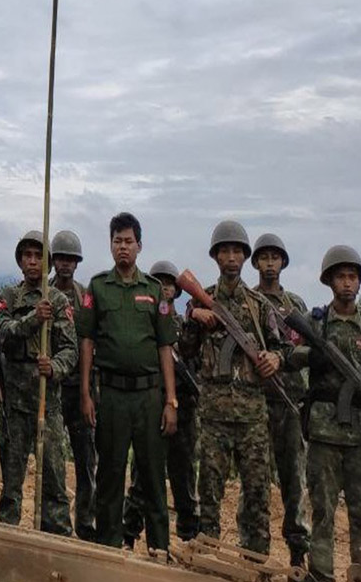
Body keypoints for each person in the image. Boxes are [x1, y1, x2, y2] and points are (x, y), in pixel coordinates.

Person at [179, 220, 287, 556]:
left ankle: (256, 561)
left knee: (257, 494)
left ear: (244, 257)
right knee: (209, 493)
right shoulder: (202, 301)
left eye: (236, 251)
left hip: (253, 415)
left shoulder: (258, 305)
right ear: (215, 257)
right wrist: (195, 319)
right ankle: (209, 559)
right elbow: (186, 351)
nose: (230, 257)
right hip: (214, 415)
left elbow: (280, 347)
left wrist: (274, 359)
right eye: (224, 251)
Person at [75, 213, 177, 554]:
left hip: (149, 397)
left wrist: (170, 401)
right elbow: (87, 341)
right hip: (113, 396)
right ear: (110, 244)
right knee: (110, 475)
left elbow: (165, 347)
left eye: (129, 241)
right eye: (117, 241)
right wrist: (86, 393)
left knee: (151, 478)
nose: (123, 247)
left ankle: (159, 551)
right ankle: (108, 549)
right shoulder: (98, 287)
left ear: (139, 246)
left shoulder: (153, 290)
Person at [0, 230, 76, 535]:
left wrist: (53, 367)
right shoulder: (8, 296)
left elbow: (71, 349)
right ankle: (9, 540)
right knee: (12, 482)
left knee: (54, 480)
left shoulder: (57, 300)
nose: (32, 261)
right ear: (19, 260)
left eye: (38, 256)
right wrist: (33, 320)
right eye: (27, 255)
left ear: (48, 262)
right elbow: (3, 334)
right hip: (15, 407)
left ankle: (56, 542)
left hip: (47, 405)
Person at [122, 260, 200, 547]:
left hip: (183, 409)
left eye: (169, 284)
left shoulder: (185, 325)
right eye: (160, 283)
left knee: (183, 475)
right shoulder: (144, 323)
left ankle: (189, 535)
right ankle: (129, 533)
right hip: (151, 405)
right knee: (142, 474)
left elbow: (196, 356)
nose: (165, 289)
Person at [296, 245, 361, 582]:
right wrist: (312, 355)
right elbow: (288, 353)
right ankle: (320, 575)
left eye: (353, 277)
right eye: (341, 277)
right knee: (322, 511)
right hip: (323, 432)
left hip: (360, 437)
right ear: (329, 281)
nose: (348, 283)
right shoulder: (315, 322)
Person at [251, 233, 310, 569]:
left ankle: (298, 554)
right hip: (257, 402)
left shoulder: (296, 306)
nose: (270, 263)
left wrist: (283, 358)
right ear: (256, 263)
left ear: (283, 263)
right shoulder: (249, 301)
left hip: (289, 403)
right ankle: (255, 552)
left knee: (293, 482)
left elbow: (307, 350)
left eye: (276, 257)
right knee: (255, 482)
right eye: (264, 257)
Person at [51, 229, 97, 541]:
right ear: (53, 261)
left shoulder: (86, 298)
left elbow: (92, 342)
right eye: (61, 258)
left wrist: (89, 392)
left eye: (71, 259)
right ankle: (53, 522)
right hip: (52, 386)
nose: (66, 264)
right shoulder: (44, 293)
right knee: (52, 461)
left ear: (77, 263)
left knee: (85, 461)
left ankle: (86, 524)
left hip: (81, 387)